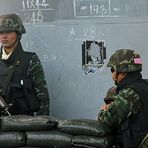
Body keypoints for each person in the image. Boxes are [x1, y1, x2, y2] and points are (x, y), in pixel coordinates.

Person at [0, 13, 50, 116]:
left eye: (8, 31)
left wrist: (39, 126)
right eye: (0, 32)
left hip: (24, 123)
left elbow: (43, 97)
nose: (4, 36)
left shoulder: (30, 60)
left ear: (18, 34)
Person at [98, 49, 148, 148]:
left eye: (112, 70)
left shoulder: (129, 93)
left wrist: (104, 110)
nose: (112, 75)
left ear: (123, 72)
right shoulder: (145, 85)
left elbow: (108, 119)